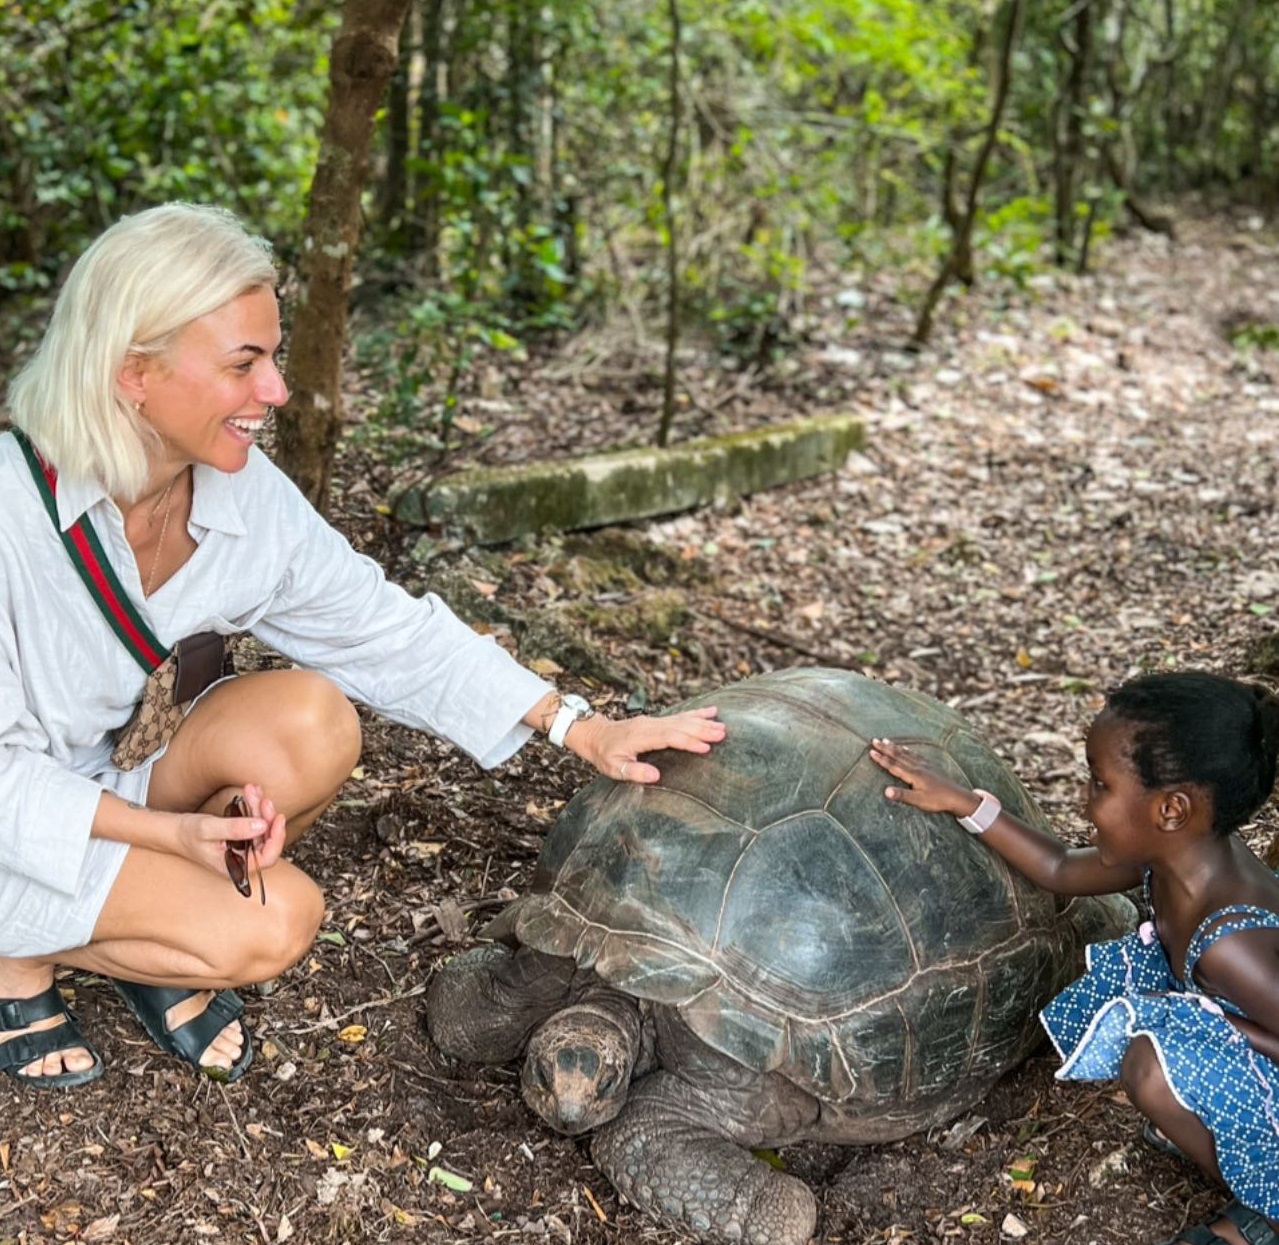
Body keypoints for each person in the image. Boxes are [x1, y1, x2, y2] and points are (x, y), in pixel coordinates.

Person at [0, 202, 726, 1091]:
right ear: (133, 374)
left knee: (312, 718)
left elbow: (381, 628)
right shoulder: (10, 511)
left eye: (273, 355)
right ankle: (26, 959)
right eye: (244, 363)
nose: (276, 390)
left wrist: (577, 726)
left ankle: (149, 932)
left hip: (89, 784)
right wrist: (169, 835)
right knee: (273, 925)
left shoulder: (238, 497)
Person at [870, 671, 1279, 1245]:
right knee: (1154, 1059)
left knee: (1150, 1071)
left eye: (1099, 784)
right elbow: (1060, 866)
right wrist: (963, 803)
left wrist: (1225, 1027)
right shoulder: (1174, 857)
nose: (1083, 800)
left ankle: (1268, 1203)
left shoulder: (1232, 943)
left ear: (1171, 809)